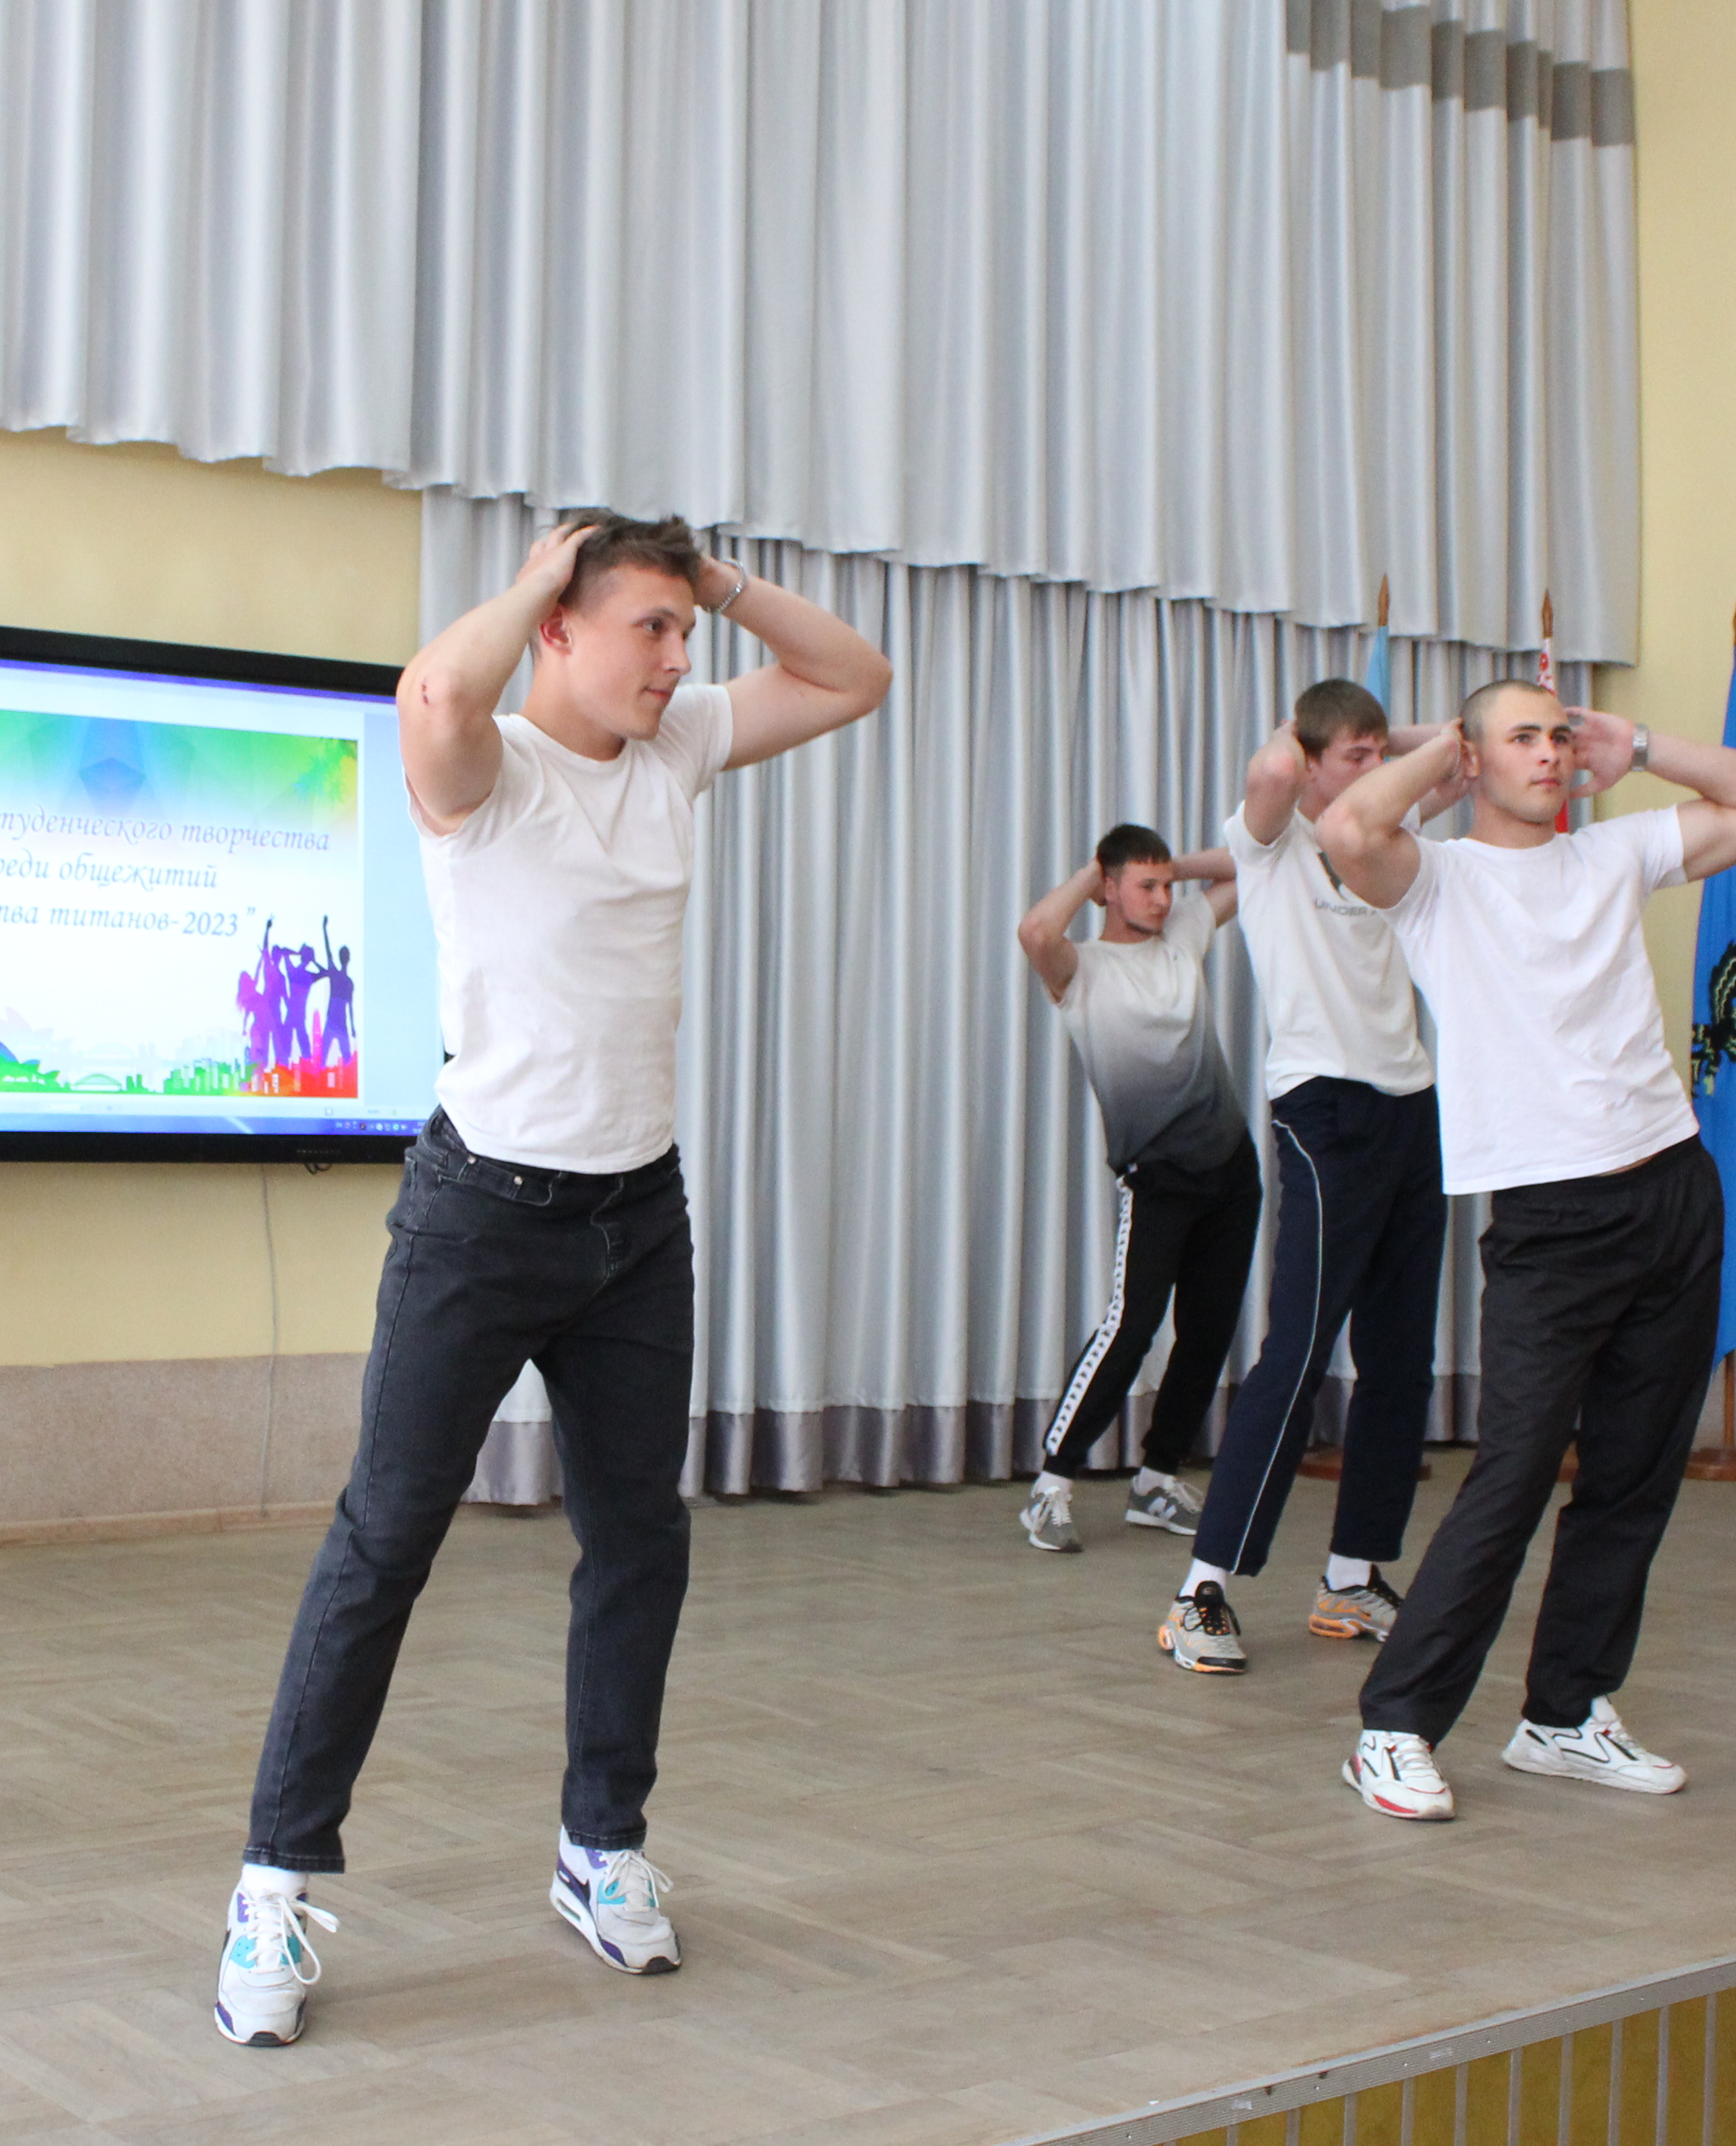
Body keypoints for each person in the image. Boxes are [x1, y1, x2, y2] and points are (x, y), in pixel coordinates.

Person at [213, 514, 889, 2047]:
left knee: (639, 1540)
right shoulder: (489, 770)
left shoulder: (680, 742)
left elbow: (855, 676)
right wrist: (536, 577)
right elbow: (435, 696)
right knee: (383, 1542)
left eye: (685, 631)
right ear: (561, 632)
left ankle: (602, 1846)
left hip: (636, 1220)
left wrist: (717, 582)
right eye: (648, 627)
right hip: (479, 1219)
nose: (678, 658)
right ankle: (274, 1881)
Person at [1313, 679, 1736, 1822]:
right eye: (1521, 738)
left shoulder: (1614, 853)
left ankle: (1564, 1714)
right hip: (1550, 1218)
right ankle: (1394, 1728)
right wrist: (1444, 749)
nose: (1547, 754)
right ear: (1473, 760)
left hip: (1672, 1188)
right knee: (1515, 1475)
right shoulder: (1436, 880)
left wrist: (1646, 744)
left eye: (1558, 735)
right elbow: (1347, 826)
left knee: (1633, 1477)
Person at [1160, 680, 1467, 1675]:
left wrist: (1381, 743)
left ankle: (1352, 1575)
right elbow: (1272, 770)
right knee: (1297, 1353)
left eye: (1383, 755)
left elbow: (1458, 758)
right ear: (1312, 756)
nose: (1377, 772)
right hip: (1323, 1111)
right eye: (1356, 757)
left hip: (1411, 1105)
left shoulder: (1384, 841)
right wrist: (1312, 735)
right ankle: (1200, 1590)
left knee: (1400, 1360)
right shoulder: (1268, 845)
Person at [1009, 829, 1264, 1621]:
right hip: (1158, 1180)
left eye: (1166, 886)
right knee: (1130, 1327)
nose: (1162, 899)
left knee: (1209, 1330)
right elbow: (1034, 930)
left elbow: (1255, 863)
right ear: (1107, 889)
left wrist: (1173, 867)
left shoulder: (1183, 932)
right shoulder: (1080, 970)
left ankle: (1156, 1479)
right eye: (1143, 886)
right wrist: (1094, 870)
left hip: (1232, 1173)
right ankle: (1052, 1484)